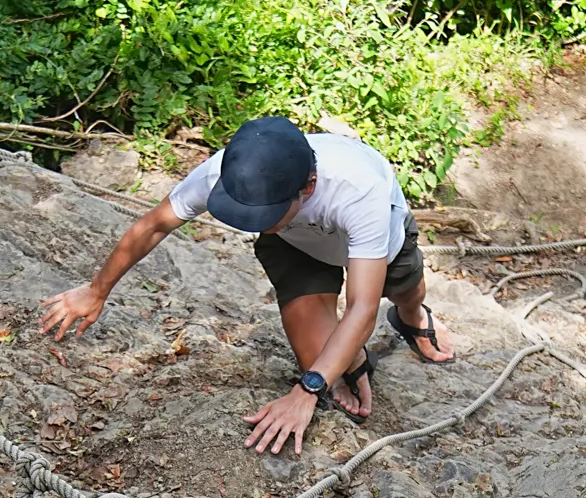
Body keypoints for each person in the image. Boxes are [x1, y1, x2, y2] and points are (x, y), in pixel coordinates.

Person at [41, 114, 455, 457]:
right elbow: (152, 226)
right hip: (299, 248)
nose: (249, 222)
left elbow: (362, 306)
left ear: (307, 187)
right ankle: (351, 357)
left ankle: (413, 317)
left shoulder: (357, 190)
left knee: (404, 291)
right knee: (323, 360)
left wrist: (305, 392)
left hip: (378, 243)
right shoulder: (230, 173)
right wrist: (96, 291)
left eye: (263, 213)